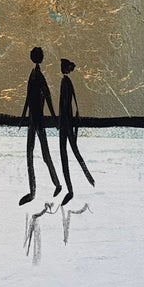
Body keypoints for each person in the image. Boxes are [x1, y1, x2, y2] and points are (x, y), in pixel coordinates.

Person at [18, 45, 62, 205]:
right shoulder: (34, 75)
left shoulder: (38, 76)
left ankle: (55, 185)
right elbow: (29, 98)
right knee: (33, 154)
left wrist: (54, 118)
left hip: (37, 120)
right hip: (33, 120)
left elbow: (46, 98)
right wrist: (23, 116)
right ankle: (34, 191)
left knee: (42, 154)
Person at [56, 58, 95, 204]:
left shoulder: (65, 82)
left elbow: (64, 104)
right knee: (72, 151)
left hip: (65, 123)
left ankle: (72, 188)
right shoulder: (67, 82)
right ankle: (86, 179)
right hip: (67, 122)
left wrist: (61, 121)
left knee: (65, 153)